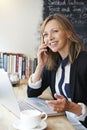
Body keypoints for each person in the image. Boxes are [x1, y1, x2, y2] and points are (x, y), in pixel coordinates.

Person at [27, 13, 87, 129]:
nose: (49, 38)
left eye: (55, 31)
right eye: (45, 35)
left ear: (68, 33)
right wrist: (40, 65)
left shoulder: (84, 61)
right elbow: (32, 93)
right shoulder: (53, 64)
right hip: (63, 122)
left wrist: (72, 107)